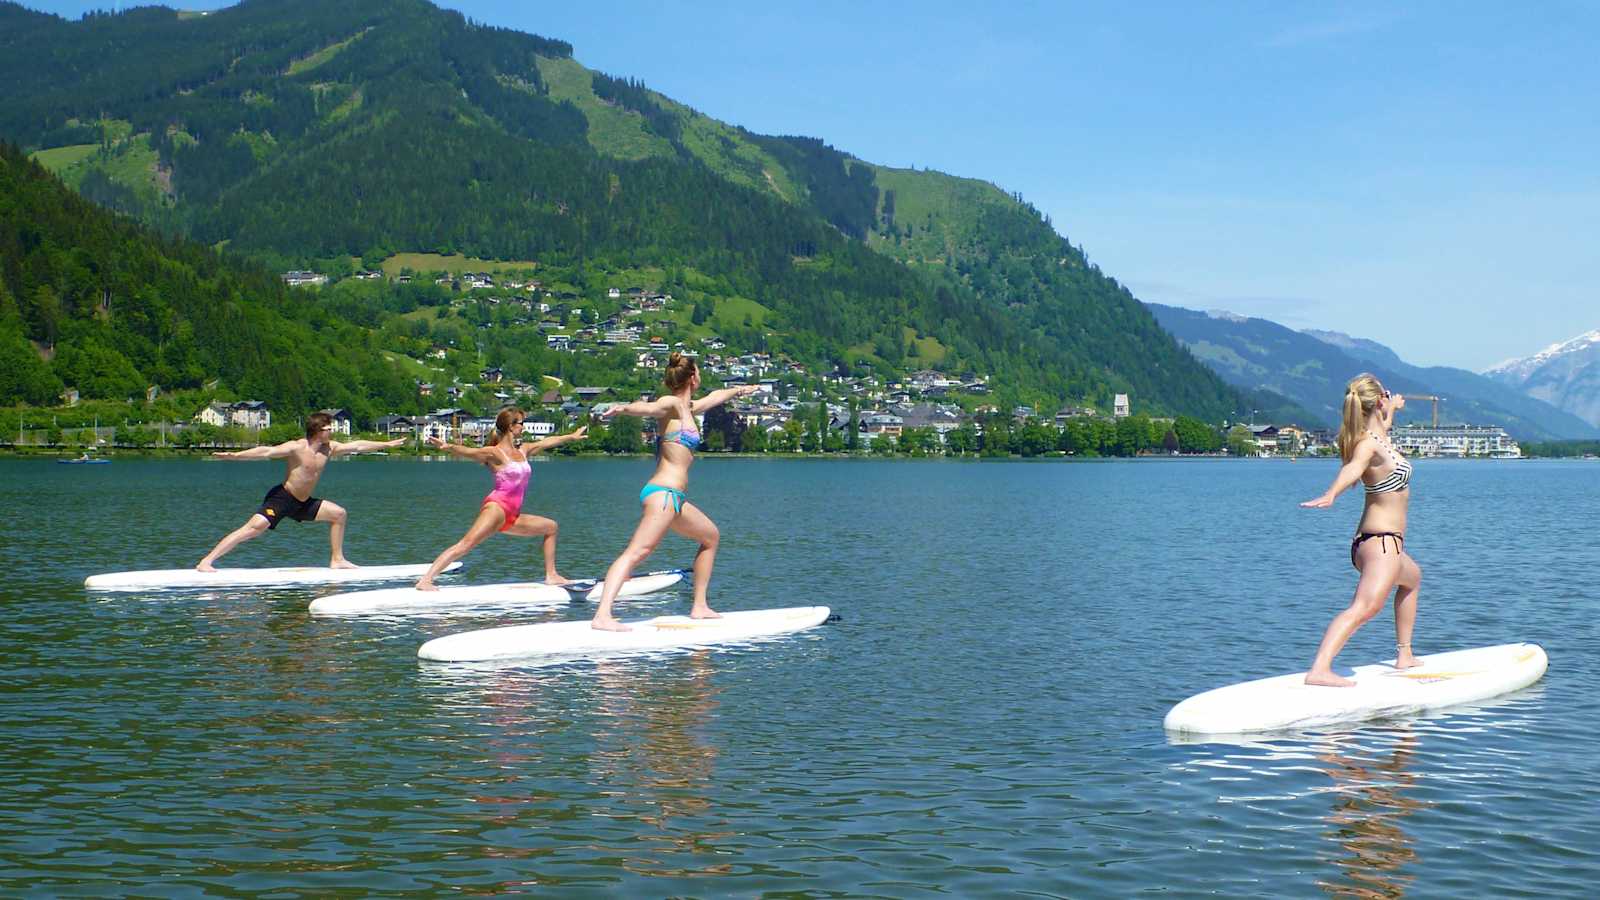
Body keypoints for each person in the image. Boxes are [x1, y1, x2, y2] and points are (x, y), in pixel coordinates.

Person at [589, 352, 759, 631]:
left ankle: (700, 606)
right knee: (636, 552)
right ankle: (602, 615)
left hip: (675, 498)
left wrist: (741, 390)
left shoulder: (689, 407)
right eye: (700, 371)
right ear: (693, 377)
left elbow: (717, 395)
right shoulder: (670, 405)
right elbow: (648, 408)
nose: (702, 376)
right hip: (663, 494)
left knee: (710, 537)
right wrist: (621, 409)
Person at [1299, 373, 1423, 685]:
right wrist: (1332, 493)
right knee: (1364, 608)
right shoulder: (1369, 445)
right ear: (1376, 402)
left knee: (1412, 578)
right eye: (1385, 397)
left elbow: (1383, 428)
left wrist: (1392, 408)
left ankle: (1404, 655)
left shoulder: (1380, 437)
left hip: (1378, 543)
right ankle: (1319, 670)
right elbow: (1353, 467)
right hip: (1381, 543)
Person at [197, 412, 405, 571]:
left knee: (339, 514)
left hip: (303, 503)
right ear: (318, 430)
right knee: (254, 528)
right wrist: (236, 456)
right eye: (328, 428)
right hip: (282, 498)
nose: (332, 431)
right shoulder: (296, 447)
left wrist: (386, 443)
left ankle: (337, 559)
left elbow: (358, 446)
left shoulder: (329, 448)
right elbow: (266, 451)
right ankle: (207, 561)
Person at [414, 408, 588, 591]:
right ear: (511, 427)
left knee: (551, 527)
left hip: (513, 514)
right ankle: (426, 580)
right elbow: (469, 452)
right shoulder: (495, 453)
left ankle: (551, 575)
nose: (523, 427)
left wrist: (571, 437)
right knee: (466, 544)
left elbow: (547, 442)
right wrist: (448, 447)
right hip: (497, 508)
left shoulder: (523, 450)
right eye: (521, 423)